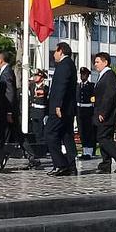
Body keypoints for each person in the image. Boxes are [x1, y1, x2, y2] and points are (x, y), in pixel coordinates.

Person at [93, 52, 116, 173]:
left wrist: (103, 112)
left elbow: (109, 96)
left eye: (98, 62)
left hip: (107, 114)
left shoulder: (109, 75)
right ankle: (105, 164)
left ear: (105, 62)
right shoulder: (102, 75)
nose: (95, 64)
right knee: (104, 137)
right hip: (102, 112)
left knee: (103, 137)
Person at [45, 42, 77, 176]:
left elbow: (62, 86)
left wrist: (58, 105)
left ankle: (61, 164)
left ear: (61, 51)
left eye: (55, 51)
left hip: (60, 109)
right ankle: (71, 165)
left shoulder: (64, 65)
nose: (54, 54)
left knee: (50, 133)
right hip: (67, 108)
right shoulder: (69, 64)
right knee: (66, 135)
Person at [0, 52, 17, 168]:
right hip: (0, 108)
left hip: (4, 109)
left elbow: (10, 92)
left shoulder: (7, 72)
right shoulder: (2, 72)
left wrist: (9, 112)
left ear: (1, 59)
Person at [76, 67, 96, 160]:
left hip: (88, 111)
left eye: (84, 74)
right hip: (80, 111)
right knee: (82, 132)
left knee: (89, 131)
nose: (82, 76)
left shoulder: (91, 86)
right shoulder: (78, 86)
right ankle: (84, 151)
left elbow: (94, 99)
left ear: (88, 76)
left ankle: (90, 152)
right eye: (81, 74)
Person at [29, 69, 49, 144]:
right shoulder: (32, 85)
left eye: (37, 76)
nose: (35, 77)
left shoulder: (45, 87)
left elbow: (41, 93)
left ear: (42, 78)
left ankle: (41, 146)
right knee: (34, 130)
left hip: (41, 112)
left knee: (40, 131)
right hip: (33, 111)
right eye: (35, 76)